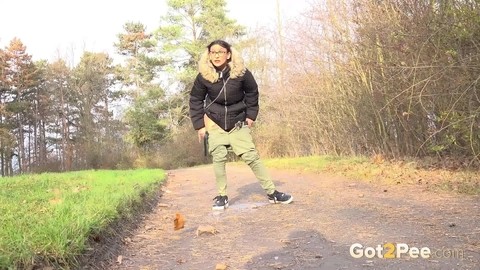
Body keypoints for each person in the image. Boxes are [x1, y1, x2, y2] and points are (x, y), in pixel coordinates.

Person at [189, 39, 293, 210]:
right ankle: (222, 196)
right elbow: (195, 100)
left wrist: (251, 115)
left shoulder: (241, 73)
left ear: (228, 54)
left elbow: (252, 92)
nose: (216, 55)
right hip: (215, 122)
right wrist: (199, 125)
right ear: (209, 55)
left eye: (220, 52)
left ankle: (272, 193)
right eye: (213, 52)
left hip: (238, 121)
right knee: (219, 157)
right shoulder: (203, 76)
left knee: (252, 157)